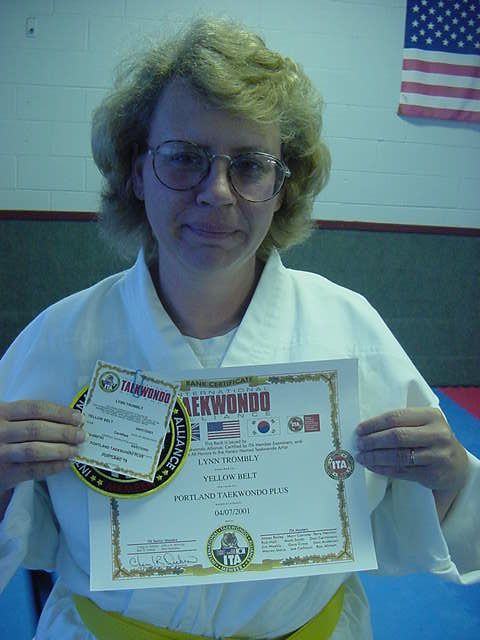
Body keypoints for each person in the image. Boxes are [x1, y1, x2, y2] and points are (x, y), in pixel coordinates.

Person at [0, 16, 478, 640]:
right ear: (138, 172)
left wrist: (452, 478)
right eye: (184, 158)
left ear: (282, 187)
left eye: (250, 166)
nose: (218, 193)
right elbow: (21, 530)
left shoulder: (348, 329)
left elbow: (428, 521)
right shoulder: (61, 340)